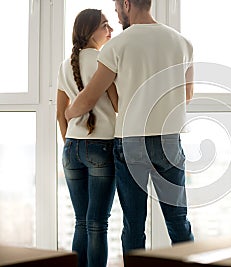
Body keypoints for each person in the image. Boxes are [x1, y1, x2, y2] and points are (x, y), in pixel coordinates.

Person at [65, 0, 194, 257]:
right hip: (168, 140)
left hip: (131, 141)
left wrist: (69, 112)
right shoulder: (182, 43)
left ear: (126, 4)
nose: (117, 16)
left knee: (134, 226)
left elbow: (90, 96)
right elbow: (187, 96)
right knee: (178, 221)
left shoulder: (116, 46)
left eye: (116, 10)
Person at [56, 8, 118, 267]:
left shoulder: (64, 65)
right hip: (101, 147)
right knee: (97, 224)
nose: (110, 30)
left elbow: (61, 114)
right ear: (90, 30)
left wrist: (72, 143)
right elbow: (116, 104)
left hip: (71, 149)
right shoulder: (105, 61)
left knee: (81, 221)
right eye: (105, 25)